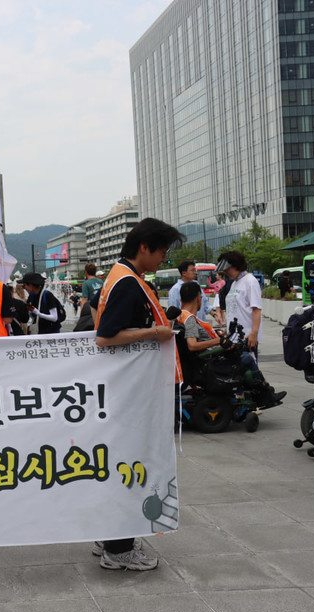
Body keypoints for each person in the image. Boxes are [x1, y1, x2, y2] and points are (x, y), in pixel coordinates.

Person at [93, 217, 185, 571]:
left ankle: (111, 538)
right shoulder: (128, 283)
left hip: (125, 388)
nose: (164, 259)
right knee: (132, 467)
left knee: (123, 465)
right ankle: (119, 549)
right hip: (129, 392)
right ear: (143, 247)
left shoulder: (124, 276)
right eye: (162, 251)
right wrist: (155, 333)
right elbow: (106, 336)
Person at [178, 281, 286, 406]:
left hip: (204, 360)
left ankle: (257, 393)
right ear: (198, 298)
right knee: (246, 358)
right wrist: (219, 341)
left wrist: (216, 334)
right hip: (208, 363)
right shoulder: (190, 320)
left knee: (241, 355)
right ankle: (266, 394)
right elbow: (192, 345)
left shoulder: (182, 316)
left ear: (181, 299)